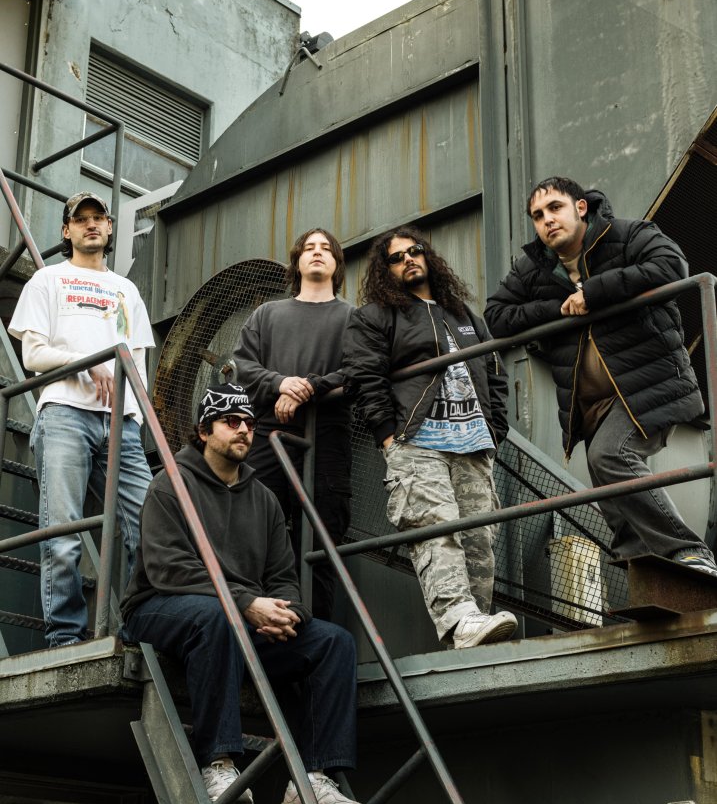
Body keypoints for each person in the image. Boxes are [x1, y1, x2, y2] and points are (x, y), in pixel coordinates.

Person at [121, 382, 364, 804]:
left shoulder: (264, 499)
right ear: (203, 431)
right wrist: (246, 604)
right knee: (216, 617)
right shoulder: (169, 485)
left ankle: (311, 784)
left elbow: (283, 577)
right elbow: (169, 569)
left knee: (333, 642)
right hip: (159, 607)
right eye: (230, 422)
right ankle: (217, 763)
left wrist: (288, 614)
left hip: (237, 617)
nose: (244, 430)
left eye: (250, 423)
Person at [484, 175, 716, 575]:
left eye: (555, 208)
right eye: (537, 215)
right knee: (608, 488)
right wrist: (558, 309)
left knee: (610, 455)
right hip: (590, 403)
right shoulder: (534, 267)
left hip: (648, 385)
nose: (546, 220)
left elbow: (671, 266)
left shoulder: (627, 235)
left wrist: (593, 293)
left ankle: (689, 551)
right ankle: (642, 570)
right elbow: (496, 316)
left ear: (580, 207)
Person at [343, 226, 517, 649]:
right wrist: (388, 437)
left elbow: (494, 372)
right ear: (385, 270)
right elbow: (365, 377)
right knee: (435, 529)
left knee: (479, 540)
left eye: (415, 251)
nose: (409, 259)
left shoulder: (464, 315)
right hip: (417, 441)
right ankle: (459, 620)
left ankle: (475, 628)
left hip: (473, 444)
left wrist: (495, 430)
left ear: (428, 257)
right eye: (396, 257)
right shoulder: (376, 316)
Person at [9, 190, 154, 647]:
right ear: (66, 231)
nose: (91, 224)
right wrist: (86, 363)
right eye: (81, 219)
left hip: (122, 423)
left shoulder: (126, 290)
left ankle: (138, 627)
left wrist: (136, 417)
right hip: (65, 413)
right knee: (64, 531)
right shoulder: (48, 279)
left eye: (99, 218)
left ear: (109, 228)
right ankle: (65, 636)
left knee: (150, 525)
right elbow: (33, 355)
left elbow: (137, 361)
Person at [233, 228, 353, 620]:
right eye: (309, 248)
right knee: (254, 532)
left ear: (336, 264)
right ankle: (259, 624)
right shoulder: (267, 314)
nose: (317, 253)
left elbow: (360, 370)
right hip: (269, 436)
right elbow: (242, 366)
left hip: (327, 438)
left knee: (320, 543)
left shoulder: (352, 317)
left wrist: (307, 389)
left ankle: (314, 632)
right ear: (297, 262)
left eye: (326, 249)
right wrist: (280, 383)